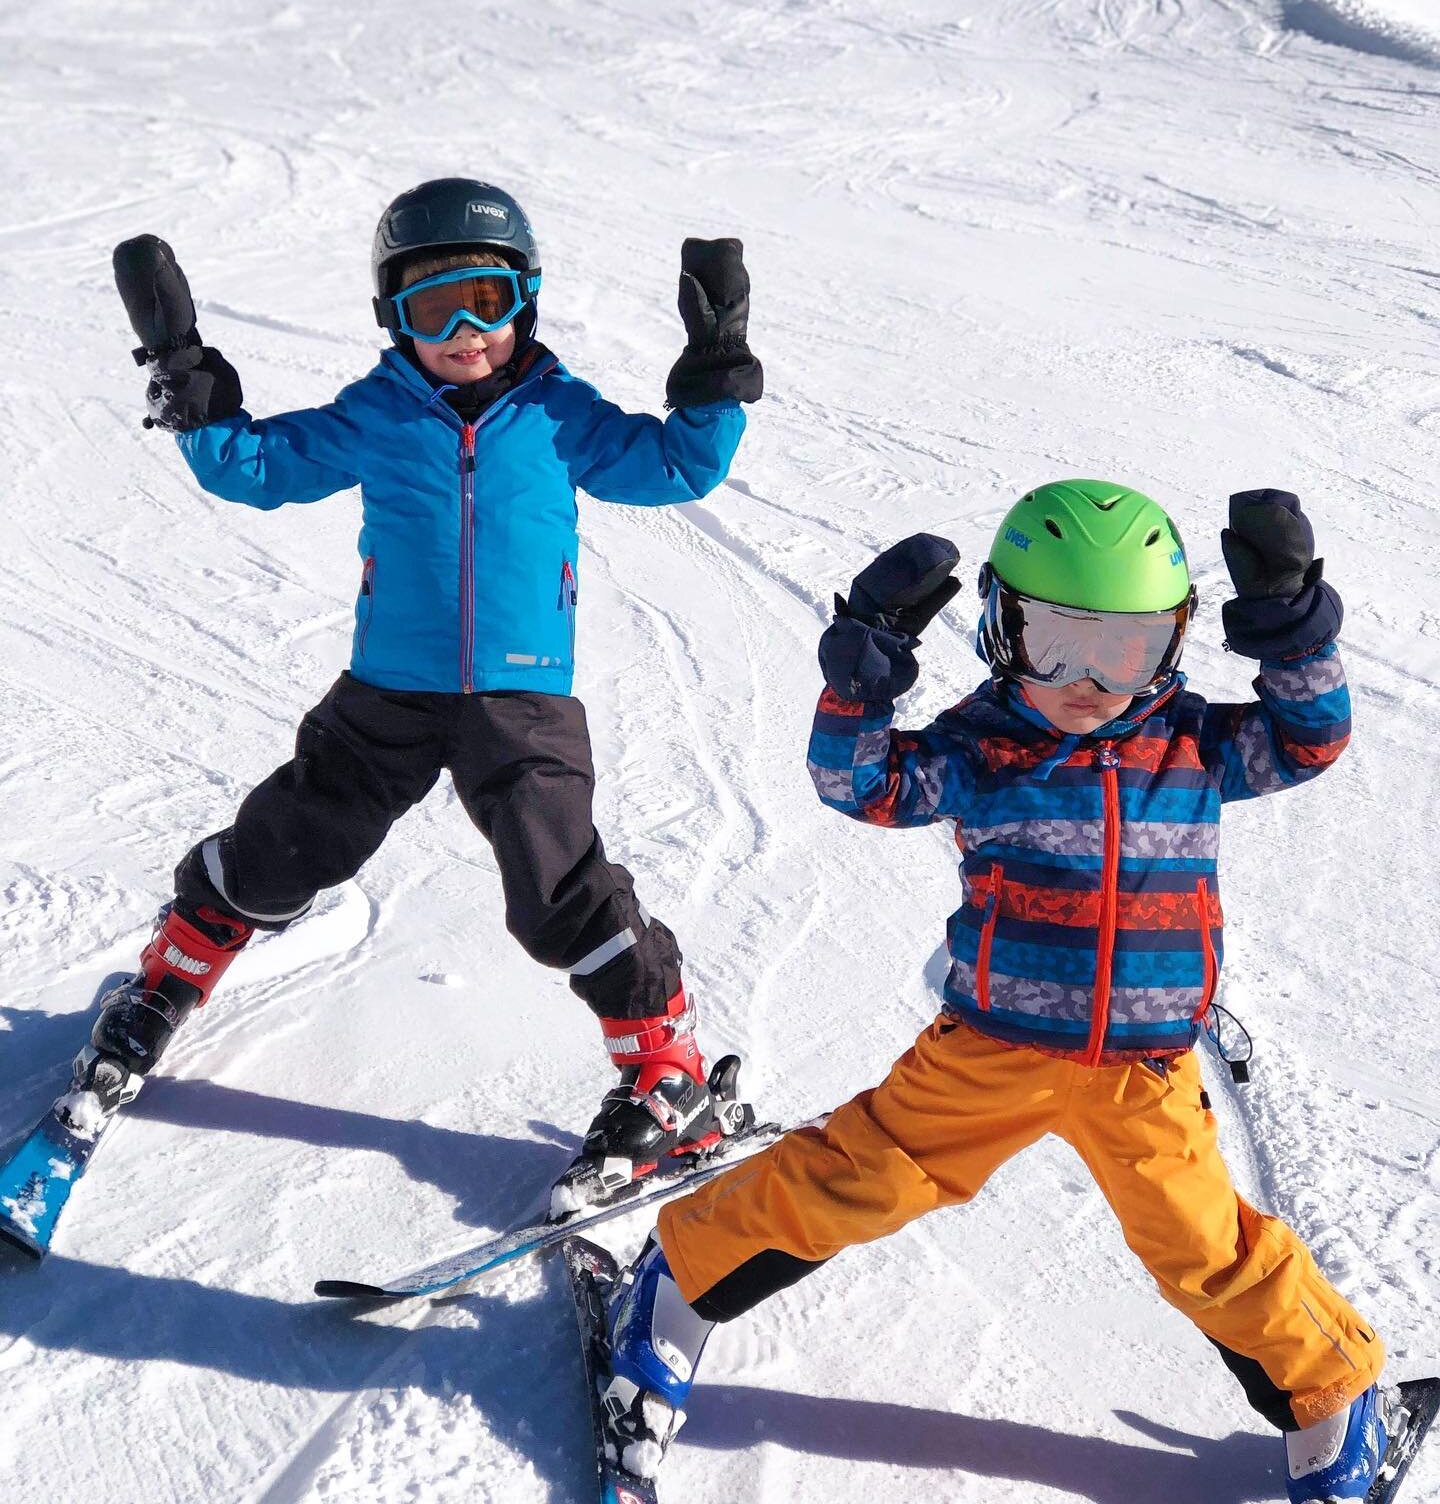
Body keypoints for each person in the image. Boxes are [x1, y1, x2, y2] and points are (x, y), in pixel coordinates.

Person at [600, 481, 1402, 1504]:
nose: (1088, 681)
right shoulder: (981, 748)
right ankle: (671, 1290)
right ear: (995, 622)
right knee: (860, 1178)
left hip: (1142, 1075)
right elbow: (862, 785)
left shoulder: (1194, 745)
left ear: (1176, 645)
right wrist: (862, 676)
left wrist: (1292, 632)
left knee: (1205, 1246)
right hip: (989, 1052)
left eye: (1128, 651)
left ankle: (1336, 1394)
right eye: (1054, 640)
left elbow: (1312, 738)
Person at [86, 180, 764, 1212]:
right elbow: (258, 467)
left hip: (520, 703)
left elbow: (673, 468)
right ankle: (176, 965)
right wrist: (189, 381)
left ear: (525, 302)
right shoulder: (378, 412)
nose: (463, 333)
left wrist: (714, 378)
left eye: (485, 301)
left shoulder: (558, 412)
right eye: (430, 307)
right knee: (286, 846)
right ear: (391, 317)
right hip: (387, 695)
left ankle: (666, 1066)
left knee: (558, 893)